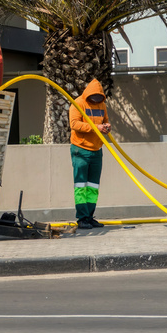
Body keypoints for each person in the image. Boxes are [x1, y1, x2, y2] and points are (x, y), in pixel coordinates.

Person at [69, 79, 111, 230]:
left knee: (93, 186)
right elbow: (74, 124)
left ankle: (89, 217)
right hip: (80, 149)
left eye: (99, 97)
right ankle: (82, 218)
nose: (96, 100)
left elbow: (105, 120)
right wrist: (96, 127)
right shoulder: (78, 103)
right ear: (88, 94)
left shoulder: (102, 105)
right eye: (94, 97)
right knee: (81, 185)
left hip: (96, 150)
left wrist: (106, 126)